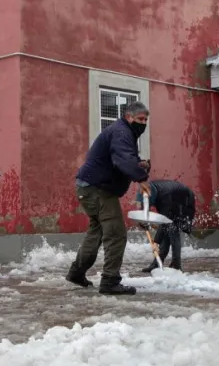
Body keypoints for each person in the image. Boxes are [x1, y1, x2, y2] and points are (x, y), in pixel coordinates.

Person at [66, 101, 151, 295]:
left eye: (146, 119)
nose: (143, 123)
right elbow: (122, 158)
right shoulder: (122, 131)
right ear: (129, 117)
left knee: (97, 231)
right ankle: (110, 281)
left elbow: (124, 157)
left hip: (88, 187)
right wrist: (141, 178)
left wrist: (139, 164)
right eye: (140, 119)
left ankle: (76, 273)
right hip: (98, 190)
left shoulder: (123, 132)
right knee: (116, 233)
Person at [135, 179, 196, 272]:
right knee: (167, 228)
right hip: (174, 198)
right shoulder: (145, 189)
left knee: (172, 230)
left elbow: (164, 221)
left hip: (184, 201)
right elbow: (141, 207)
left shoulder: (164, 197)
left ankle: (176, 265)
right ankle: (157, 263)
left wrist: (156, 242)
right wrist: (142, 221)